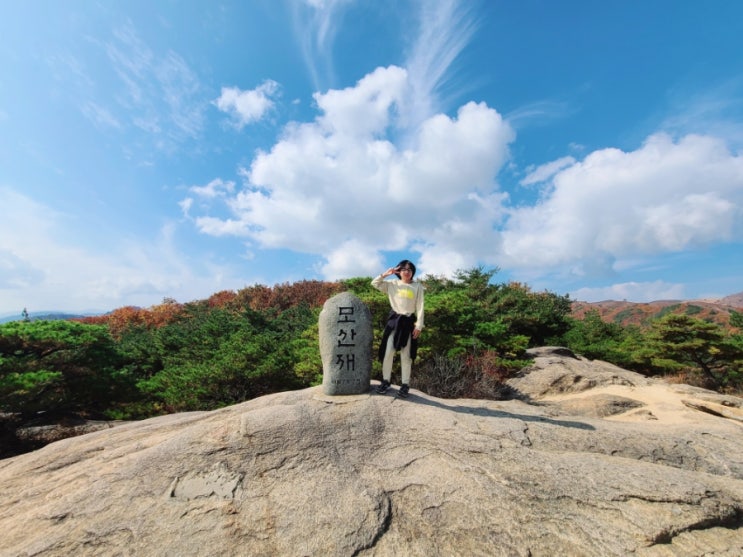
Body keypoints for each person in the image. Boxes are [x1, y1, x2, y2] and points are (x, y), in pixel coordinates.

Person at [371, 259, 425, 398]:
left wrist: (419, 325)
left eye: (409, 269)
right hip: (394, 322)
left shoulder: (417, 286)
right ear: (399, 272)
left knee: (406, 355)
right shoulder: (392, 284)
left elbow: (420, 307)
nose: (406, 272)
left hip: (408, 322)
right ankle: (385, 381)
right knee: (388, 351)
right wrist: (385, 274)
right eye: (403, 269)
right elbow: (374, 283)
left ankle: (405, 384)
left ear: (412, 272)